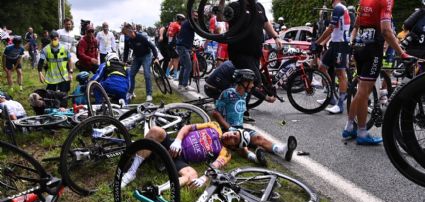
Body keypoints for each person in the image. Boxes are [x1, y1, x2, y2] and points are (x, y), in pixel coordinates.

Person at [120, 122, 297, 189]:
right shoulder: (214, 126)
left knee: (192, 175)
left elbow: (215, 166)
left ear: (235, 147)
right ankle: (131, 172)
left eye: (234, 139)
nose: (231, 135)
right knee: (156, 130)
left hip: (182, 160)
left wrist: (205, 178)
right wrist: (179, 140)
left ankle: (158, 190)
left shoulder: (226, 153)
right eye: (234, 133)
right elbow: (188, 127)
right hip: (175, 145)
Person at [343, 0, 410, 145]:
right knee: (364, 92)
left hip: (360, 47)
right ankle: (362, 132)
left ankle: (349, 127)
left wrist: (352, 44)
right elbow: (386, 31)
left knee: (361, 90)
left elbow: (356, 26)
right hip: (372, 50)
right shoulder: (386, 1)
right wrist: (402, 53)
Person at [218, 0, 280, 122]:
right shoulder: (235, 6)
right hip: (239, 51)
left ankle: (241, 110)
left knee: (245, 81)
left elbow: (266, 23)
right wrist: (221, 2)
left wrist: (276, 36)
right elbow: (221, 18)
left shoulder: (258, 6)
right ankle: (246, 107)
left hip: (255, 52)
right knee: (253, 79)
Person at [314, 0, 351, 114]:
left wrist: (317, 42)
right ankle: (331, 98)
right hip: (334, 44)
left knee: (340, 73)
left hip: (341, 44)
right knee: (322, 68)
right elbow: (332, 31)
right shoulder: (338, 9)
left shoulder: (339, 8)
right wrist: (322, 43)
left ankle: (340, 105)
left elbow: (329, 29)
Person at [122, 23, 159, 102]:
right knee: (131, 74)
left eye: (127, 33)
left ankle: (149, 95)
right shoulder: (127, 39)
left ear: (131, 31)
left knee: (147, 74)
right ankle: (130, 92)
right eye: (125, 34)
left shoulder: (141, 37)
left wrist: (156, 58)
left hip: (146, 56)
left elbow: (152, 46)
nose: (126, 35)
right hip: (137, 57)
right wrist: (124, 61)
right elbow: (126, 50)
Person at [176, 12, 197, 90]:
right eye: (195, 16)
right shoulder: (190, 23)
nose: (196, 17)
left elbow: (188, 35)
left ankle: (180, 85)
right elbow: (198, 30)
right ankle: (185, 85)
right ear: (191, 16)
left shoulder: (186, 23)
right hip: (183, 47)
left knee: (183, 66)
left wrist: (191, 47)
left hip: (182, 46)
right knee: (188, 66)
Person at [166, 14, 186, 79]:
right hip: (173, 44)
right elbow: (182, 34)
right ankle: (175, 75)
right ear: (180, 20)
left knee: (172, 60)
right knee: (177, 59)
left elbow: (167, 34)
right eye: (183, 20)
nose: (183, 22)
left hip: (169, 43)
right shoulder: (178, 26)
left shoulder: (171, 24)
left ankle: (167, 73)